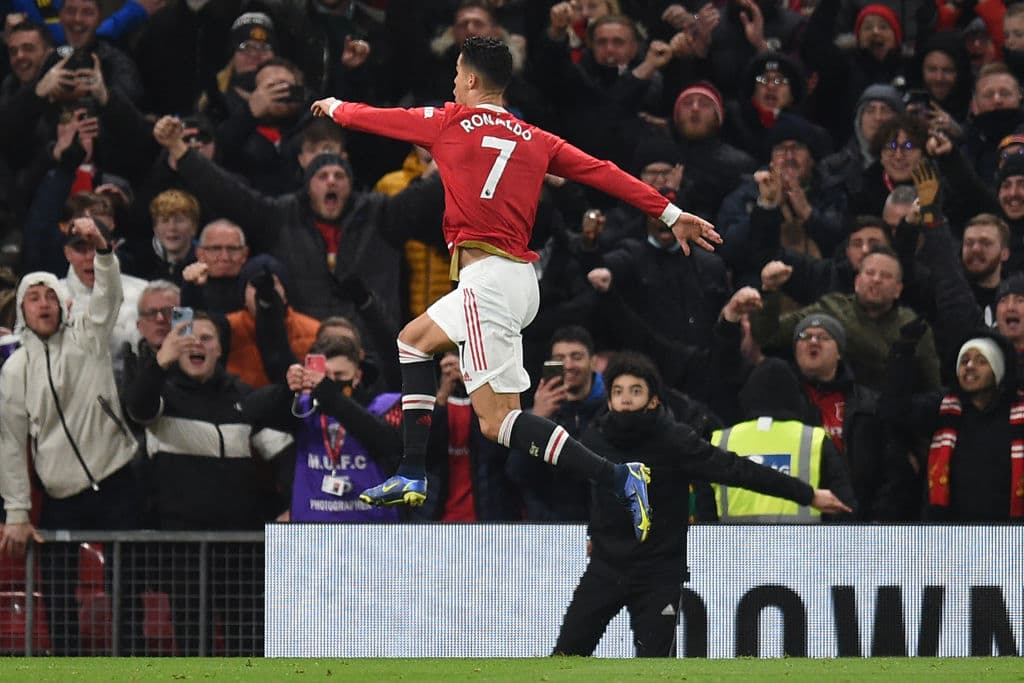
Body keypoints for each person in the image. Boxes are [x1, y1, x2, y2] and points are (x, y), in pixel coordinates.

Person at [310, 36, 721, 541]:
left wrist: (335, 106)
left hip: (491, 283)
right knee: (411, 341)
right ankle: (412, 471)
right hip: (516, 280)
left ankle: (618, 475)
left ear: (473, 80)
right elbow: (604, 172)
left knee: (497, 423)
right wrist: (671, 212)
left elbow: (378, 118)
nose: (453, 84)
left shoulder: (449, 122)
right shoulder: (536, 138)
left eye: (458, 76)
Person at [553, 352, 850, 657]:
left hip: (658, 574)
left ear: (654, 400)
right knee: (565, 657)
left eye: (635, 390)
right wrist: (593, 530)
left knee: (654, 671)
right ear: (609, 400)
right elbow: (590, 491)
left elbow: (739, 471)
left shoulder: (675, 441)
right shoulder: (595, 438)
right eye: (618, 391)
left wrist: (808, 494)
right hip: (606, 568)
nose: (625, 399)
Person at [0, 216, 141, 654]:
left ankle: (130, 667)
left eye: (49, 297)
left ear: (63, 303)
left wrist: (103, 252)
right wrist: (18, 512)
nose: (42, 304)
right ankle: (64, 667)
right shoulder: (14, 368)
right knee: (57, 595)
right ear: (21, 310)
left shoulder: (89, 337)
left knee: (127, 594)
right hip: (61, 493)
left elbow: (109, 296)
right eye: (33, 298)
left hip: (116, 479)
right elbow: (9, 443)